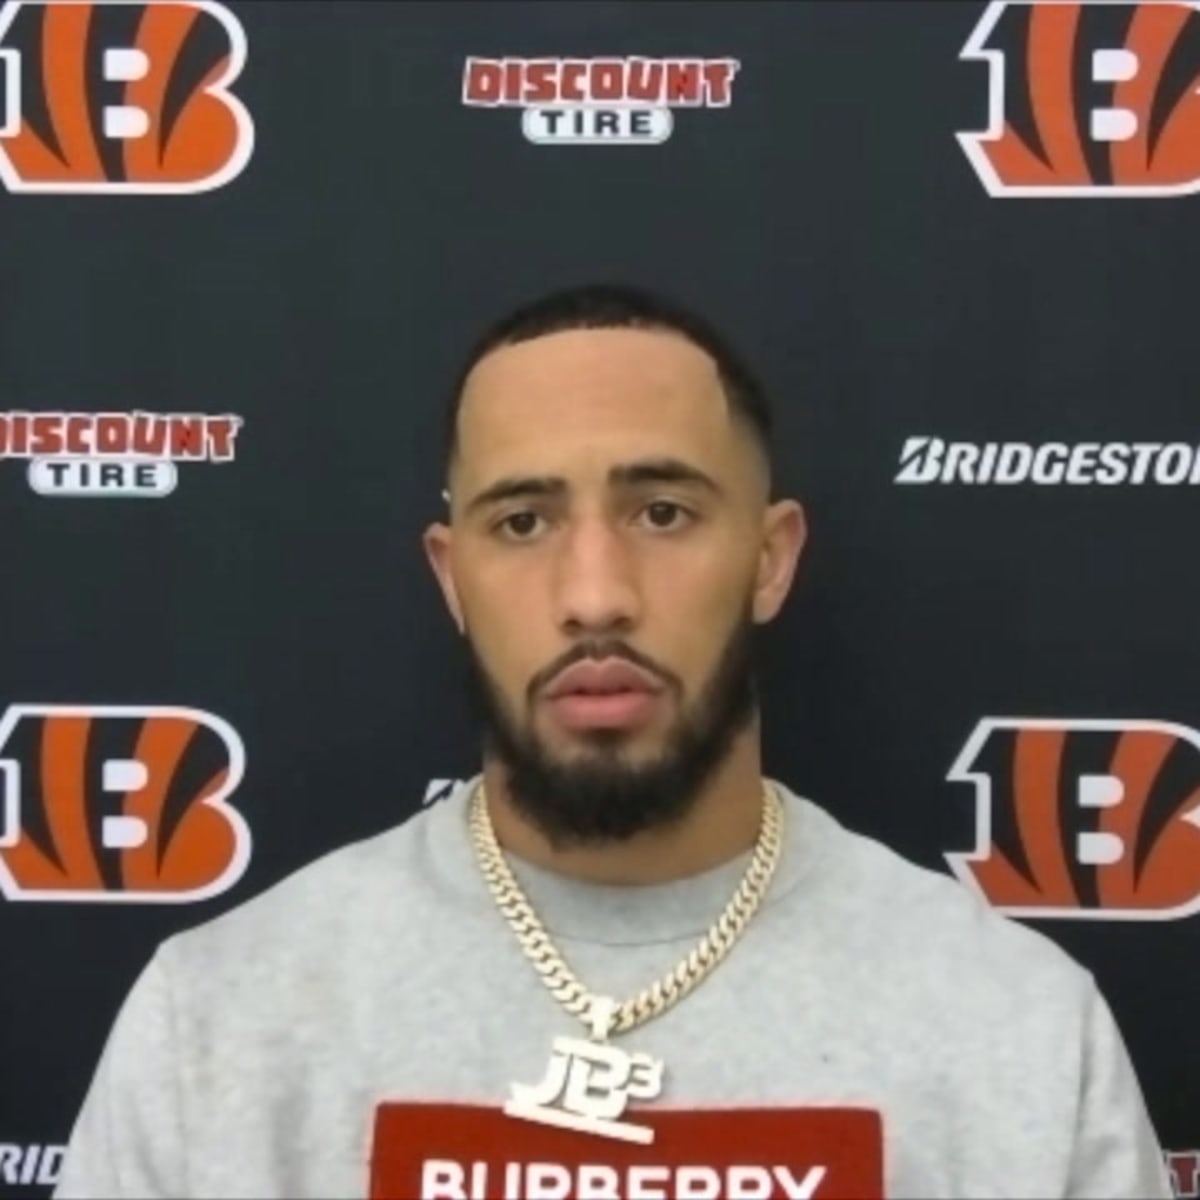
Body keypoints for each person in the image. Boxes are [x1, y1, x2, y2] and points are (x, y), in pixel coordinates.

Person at [54, 283, 1172, 1200]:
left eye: (663, 512)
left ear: (772, 558)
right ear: (452, 575)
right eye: (523, 522)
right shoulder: (218, 1023)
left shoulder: (1016, 1030)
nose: (595, 597)